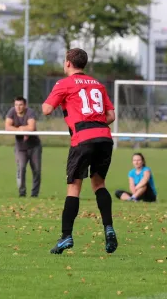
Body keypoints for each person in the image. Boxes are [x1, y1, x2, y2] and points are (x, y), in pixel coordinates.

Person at [41, 48, 118, 255]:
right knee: (99, 184)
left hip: (83, 139)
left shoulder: (64, 84)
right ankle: (109, 228)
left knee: (74, 188)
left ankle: (66, 236)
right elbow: (111, 115)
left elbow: (46, 109)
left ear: (67, 63)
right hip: (104, 137)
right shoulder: (98, 85)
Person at [5, 96, 42, 197]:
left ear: (25, 105)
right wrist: (21, 130)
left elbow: (32, 127)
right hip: (20, 147)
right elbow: (7, 127)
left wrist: (22, 128)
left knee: (37, 170)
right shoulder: (12, 112)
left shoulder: (30, 112)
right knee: (21, 168)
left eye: (21, 105)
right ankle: (22, 193)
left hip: (34, 146)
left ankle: (34, 194)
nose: (18, 107)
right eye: (16, 105)